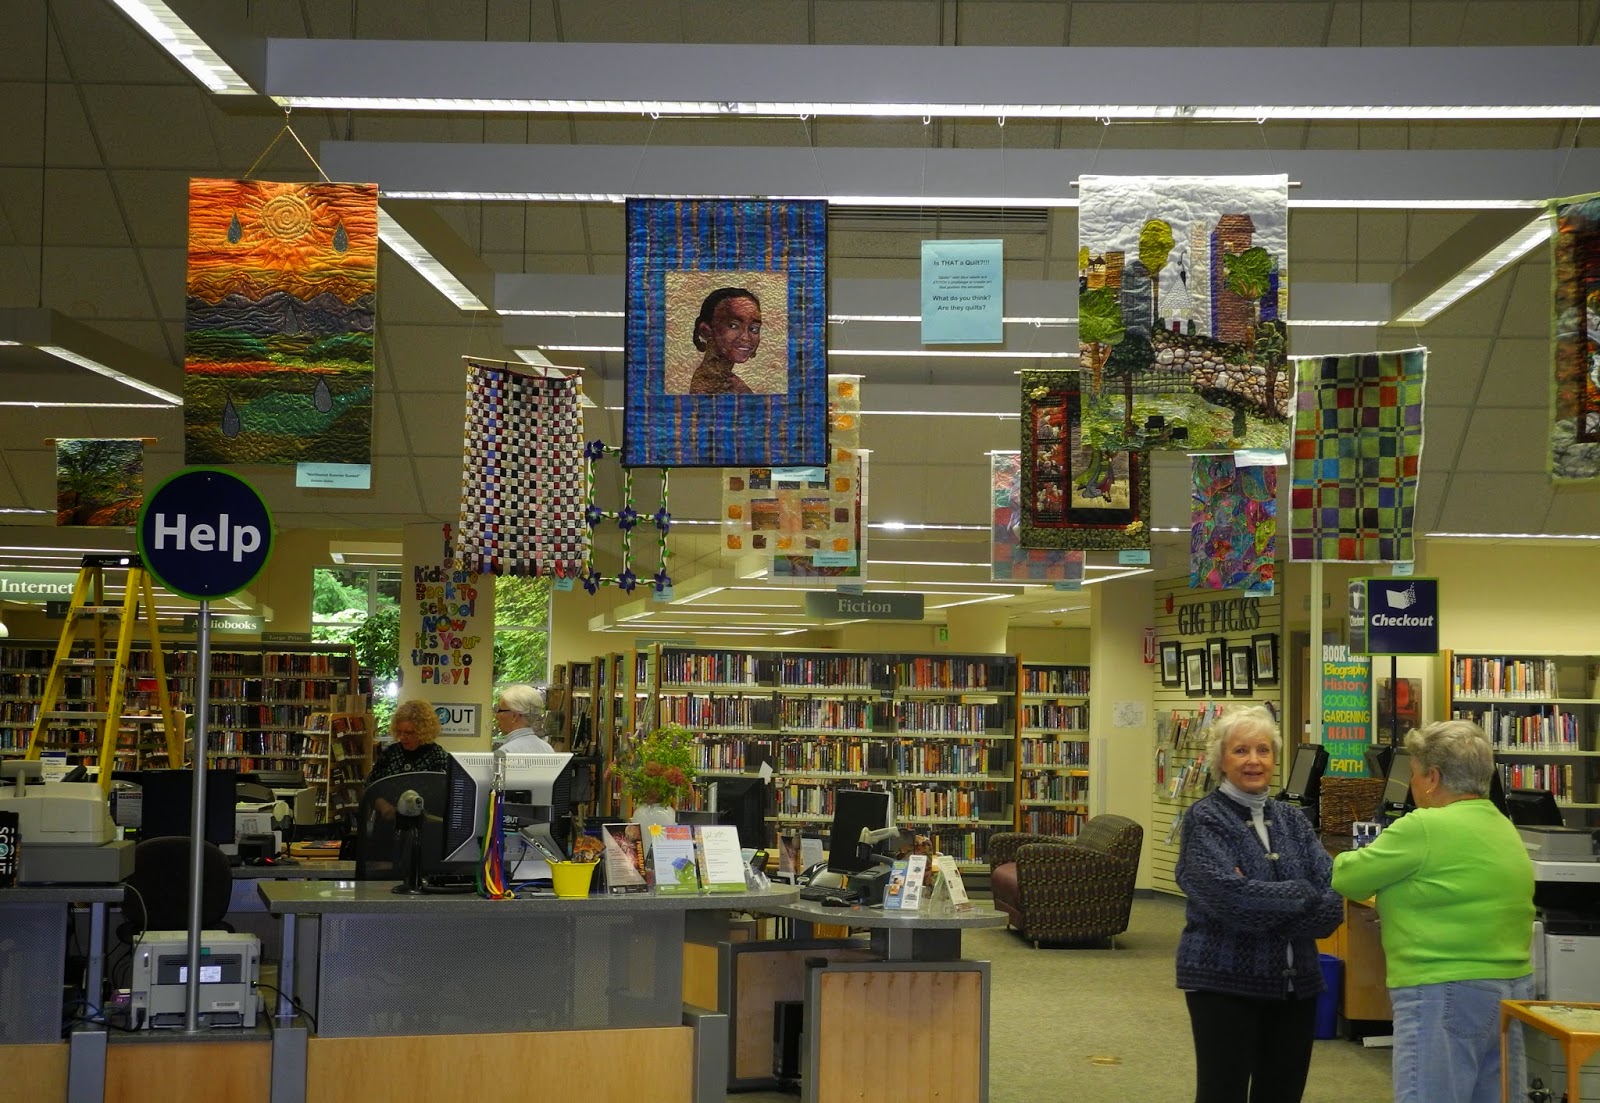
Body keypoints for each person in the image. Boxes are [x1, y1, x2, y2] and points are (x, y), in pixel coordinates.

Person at [1331, 720, 1535, 1103]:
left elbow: (1348, 877)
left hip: (1443, 990)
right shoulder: (1504, 827)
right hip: (1511, 992)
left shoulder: (1423, 827)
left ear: (1433, 778)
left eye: (1414, 775)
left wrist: (1387, 888)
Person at [1175, 705, 1344, 1103]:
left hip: (1295, 986)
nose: (1254, 761)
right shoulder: (1205, 819)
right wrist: (1301, 893)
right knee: (1222, 1093)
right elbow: (1231, 900)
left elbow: (1332, 904)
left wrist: (1267, 898)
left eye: (1264, 750)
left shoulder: (1293, 820)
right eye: (1241, 751)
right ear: (1220, 760)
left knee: (1283, 1094)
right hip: (1223, 982)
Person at [687, 287, 760, 395]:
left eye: (753, 329)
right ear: (706, 331)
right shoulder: (709, 386)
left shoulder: (729, 381)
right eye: (733, 325)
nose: (746, 337)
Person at [366, 700, 449, 782]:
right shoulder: (390, 753)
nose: (402, 737)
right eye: (399, 732)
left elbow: (442, 790)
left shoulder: (438, 757)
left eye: (408, 733)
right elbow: (371, 785)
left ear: (423, 732)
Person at [494, 683, 554, 754]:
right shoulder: (547, 749)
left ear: (514, 716)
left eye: (500, 710)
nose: (496, 716)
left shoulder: (506, 752)